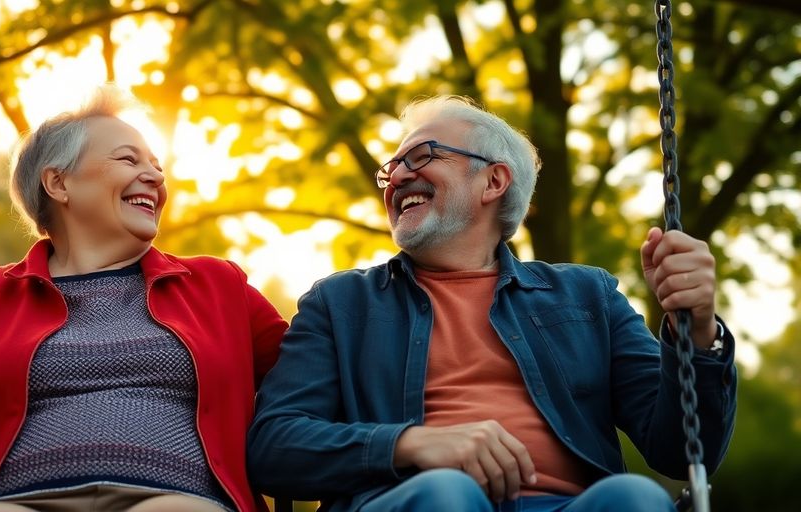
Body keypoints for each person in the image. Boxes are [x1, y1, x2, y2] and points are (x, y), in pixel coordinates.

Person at [247, 95, 737, 512]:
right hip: (421, 500)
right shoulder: (340, 304)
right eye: (390, 168)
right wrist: (410, 444)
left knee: (634, 498)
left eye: (420, 157)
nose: (396, 177)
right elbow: (274, 446)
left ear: (493, 181)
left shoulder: (588, 296)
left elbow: (682, 451)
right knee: (447, 493)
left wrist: (695, 330)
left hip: (569, 503)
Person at [0, 86, 288, 512]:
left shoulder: (218, 287)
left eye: (157, 167)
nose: (154, 178)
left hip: (176, 498)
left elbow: (318, 381)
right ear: (58, 183)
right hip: (10, 502)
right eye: (129, 160)